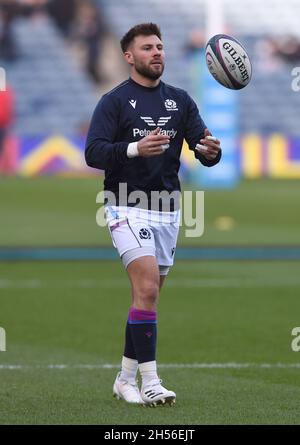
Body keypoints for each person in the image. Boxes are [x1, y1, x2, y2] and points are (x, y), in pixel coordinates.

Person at [85, 23, 221, 406]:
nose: (157, 52)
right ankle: (152, 381)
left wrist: (211, 152)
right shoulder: (114, 101)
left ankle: (124, 379)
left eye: (160, 46)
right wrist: (133, 149)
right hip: (125, 204)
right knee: (146, 290)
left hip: (168, 211)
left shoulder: (180, 101)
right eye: (147, 48)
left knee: (147, 300)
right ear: (130, 57)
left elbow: (204, 147)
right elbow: (93, 151)